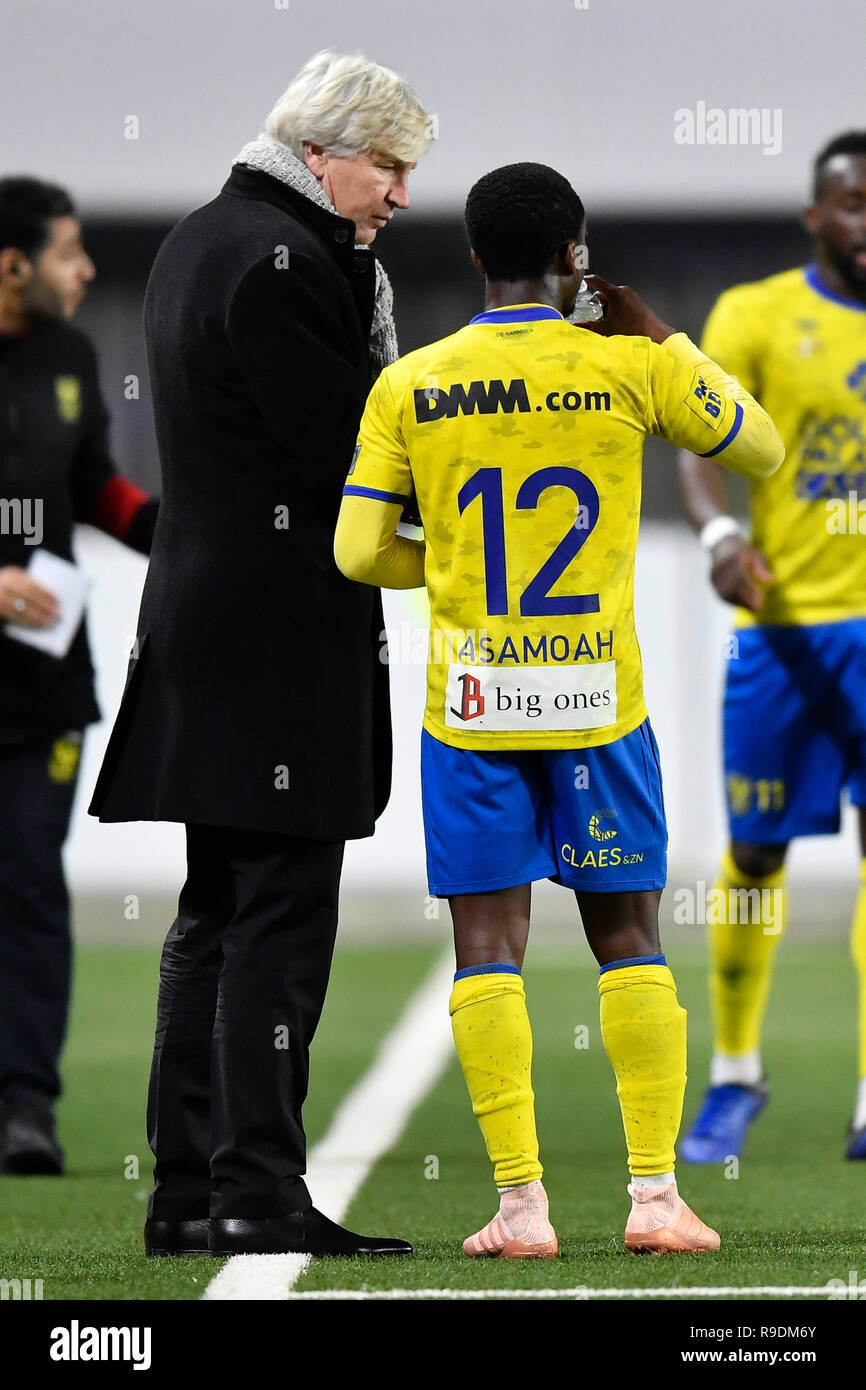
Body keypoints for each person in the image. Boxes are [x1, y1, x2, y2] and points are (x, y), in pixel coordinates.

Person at [335, 161, 784, 1257]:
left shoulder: (412, 384)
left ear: (476, 255)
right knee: (627, 936)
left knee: (486, 948)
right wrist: (660, 334)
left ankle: (520, 1208)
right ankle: (653, 1200)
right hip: (595, 701)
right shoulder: (623, 364)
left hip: (475, 707)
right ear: (574, 251)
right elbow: (759, 450)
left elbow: (354, 550)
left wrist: (442, 567)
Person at [88, 51, 433, 1258]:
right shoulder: (291, 259)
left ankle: (187, 1189)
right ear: (324, 151)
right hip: (277, 636)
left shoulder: (201, 235)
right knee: (279, 918)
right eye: (386, 166)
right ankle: (257, 1189)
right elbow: (346, 452)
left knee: (212, 915)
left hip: (199, 621)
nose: (396, 194)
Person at [678, 131, 866, 1163]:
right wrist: (716, 536)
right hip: (783, 633)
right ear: (814, 216)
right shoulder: (751, 314)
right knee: (754, 852)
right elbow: (700, 449)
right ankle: (735, 1072)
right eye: (852, 204)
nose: (865, 224)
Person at [0, 181, 159, 1175]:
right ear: (11, 265)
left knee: (28, 886)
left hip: (43, 687)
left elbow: (95, 482)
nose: (86, 270)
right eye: (67, 254)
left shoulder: (68, 355)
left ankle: (25, 1107)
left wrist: (184, 543)